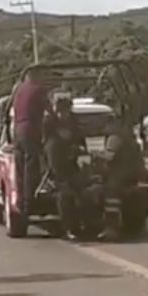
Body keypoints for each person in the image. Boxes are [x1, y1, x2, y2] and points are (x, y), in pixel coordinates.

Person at [43, 97, 87, 239]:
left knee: (92, 190)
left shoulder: (74, 125)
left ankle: (90, 223)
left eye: (66, 111)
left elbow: (82, 146)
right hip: (55, 175)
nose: (63, 115)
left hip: (73, 169)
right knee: (65, 195)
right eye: (60, 111)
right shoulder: (52, 142)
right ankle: (70, 228)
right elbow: (54, 166)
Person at [13, 68, 51, 215]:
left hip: (18, 131)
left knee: (20, 168)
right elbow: (49, 109)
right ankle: (30, 203)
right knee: (32, 166)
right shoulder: (38, 89)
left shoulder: (19, 89)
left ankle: (21, 201)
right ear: (35, 77)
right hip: (30, 130)